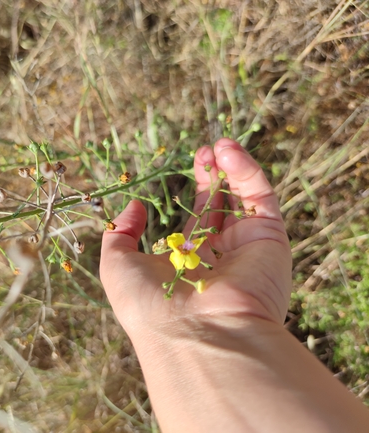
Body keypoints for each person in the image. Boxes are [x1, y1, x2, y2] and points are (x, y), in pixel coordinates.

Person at [100, 138, 369, 432]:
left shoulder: (186, 255)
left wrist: (176, 329)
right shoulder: (182, 252)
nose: (188, 248)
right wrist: (226, 325)